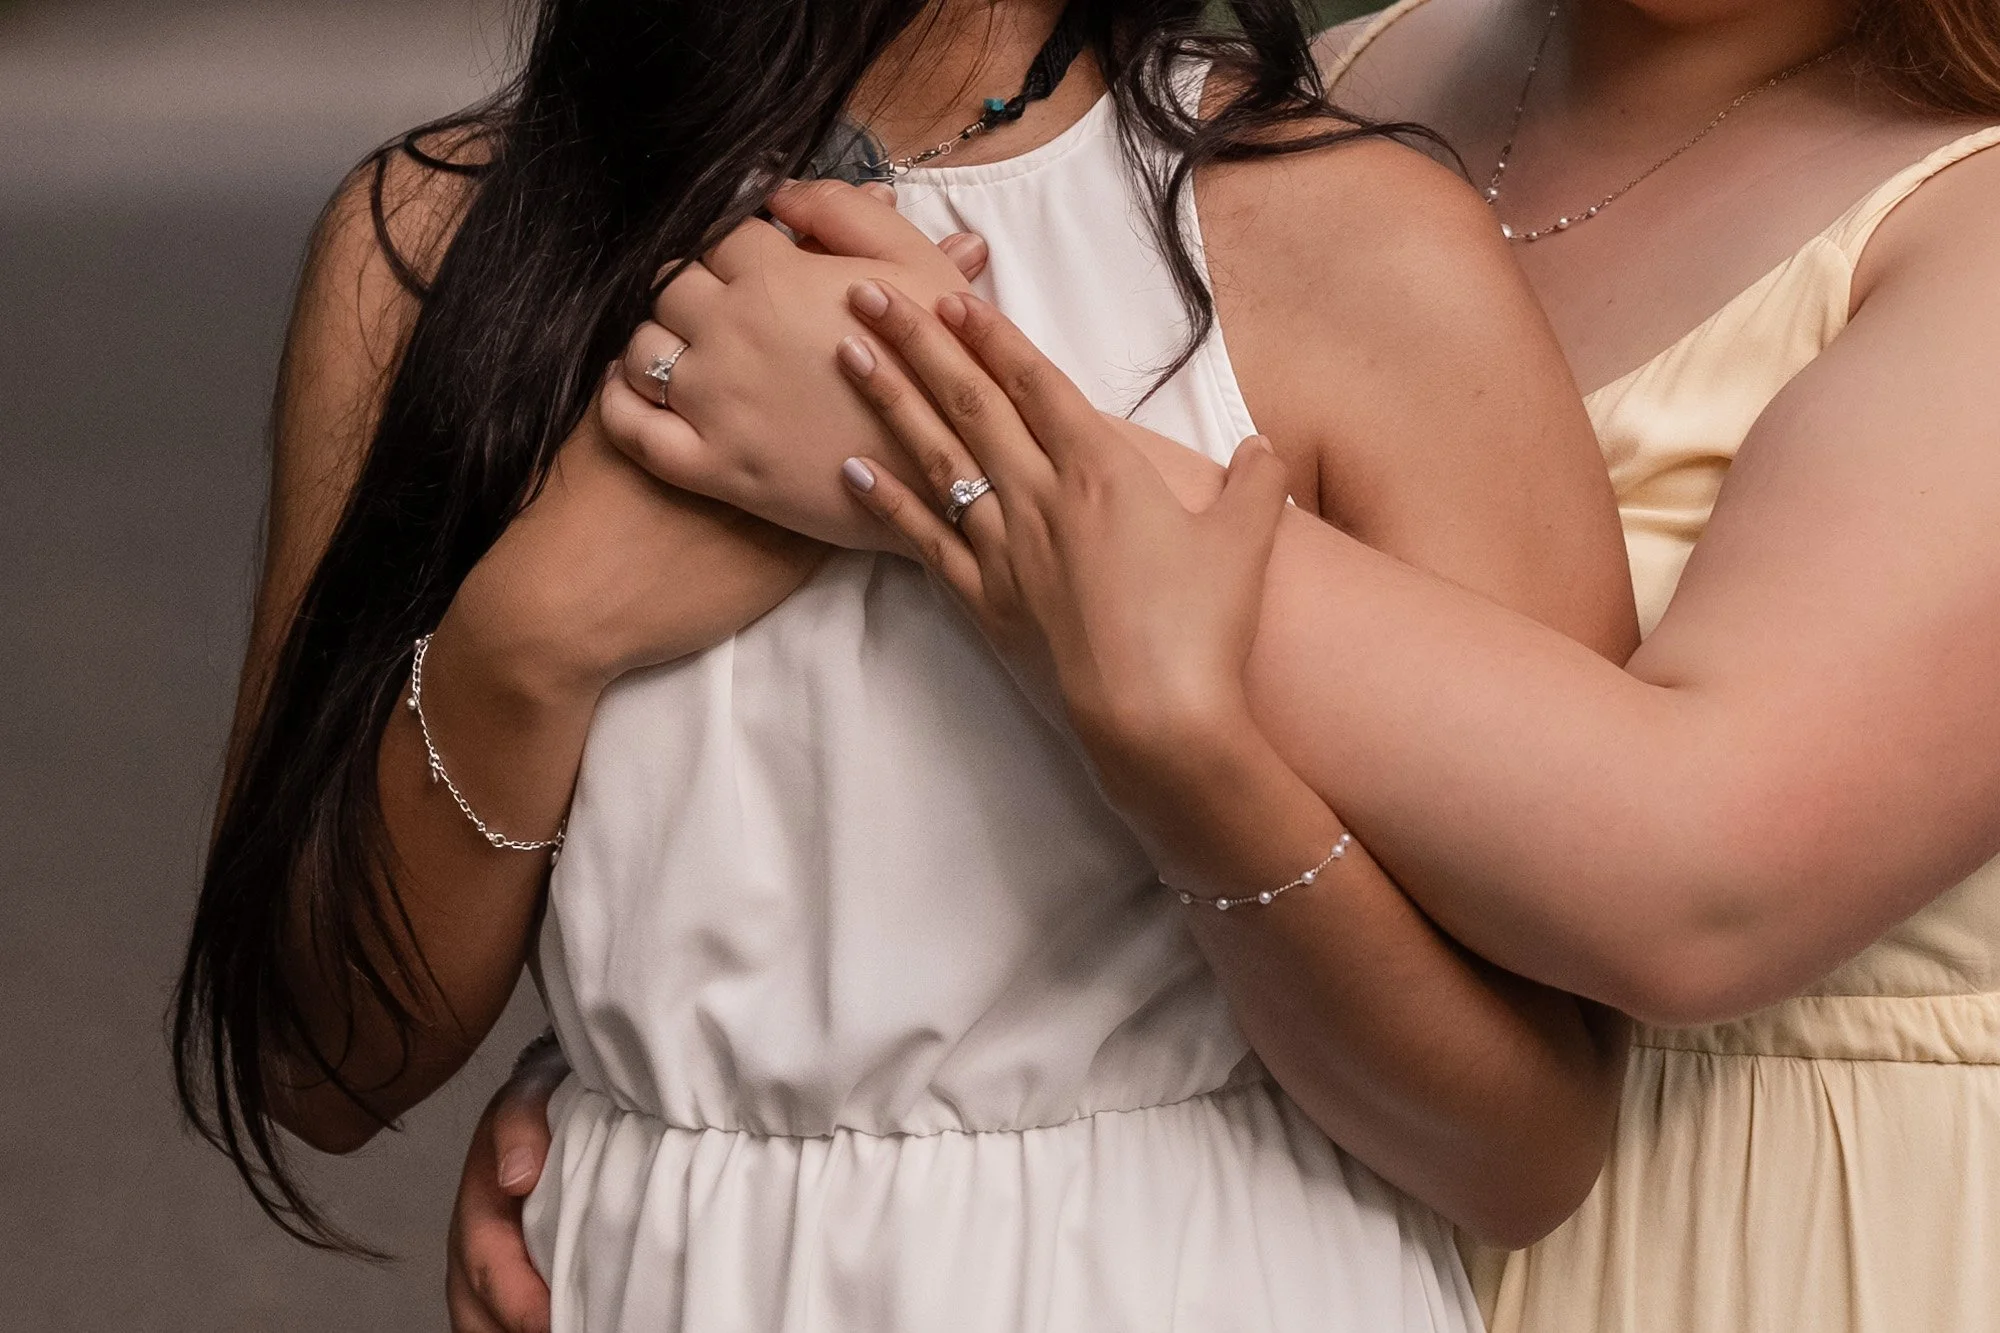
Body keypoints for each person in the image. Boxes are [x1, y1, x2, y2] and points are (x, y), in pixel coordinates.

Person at [450, 0, 2000, 1330]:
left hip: (1799, 1252)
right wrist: (696, 1078)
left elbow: (1704, 883)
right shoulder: (1370, 74)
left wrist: (938, 430)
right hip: (1308, 1231)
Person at [174, 1, 1644, 1331]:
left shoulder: (1346, 239)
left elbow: (1526, 1152)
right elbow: (318, 1066)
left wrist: (1176, 753)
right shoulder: (441, 243)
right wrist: (527, 642)